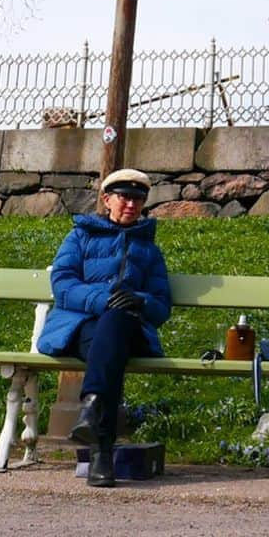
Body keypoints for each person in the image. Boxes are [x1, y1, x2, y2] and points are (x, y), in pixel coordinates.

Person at [36, 167, 172, 487]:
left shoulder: (149, 250)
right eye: (124, 197)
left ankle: (93, 416)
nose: (131, 205)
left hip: (130, 330)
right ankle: (100, 443)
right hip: (80, 328)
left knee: (116, 322)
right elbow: (63, 284)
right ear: (107, 199)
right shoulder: (81, 236)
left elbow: (161, 304)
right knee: (108, 341)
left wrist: (139, 301)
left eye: (139, 199)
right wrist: (103, 300)